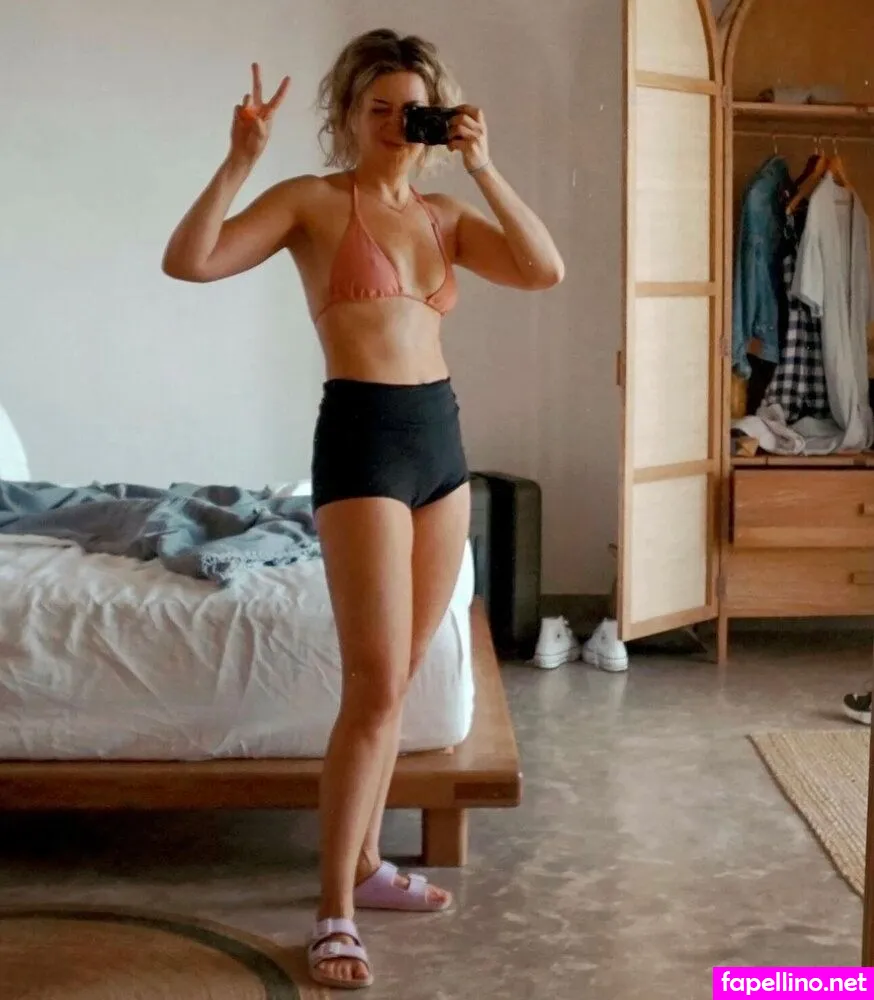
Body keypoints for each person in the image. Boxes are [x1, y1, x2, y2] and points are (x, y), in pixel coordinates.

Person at [162, 28, 564, 990]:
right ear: (346, 116)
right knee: (374, 685)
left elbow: (542, 268)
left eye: (410, 109)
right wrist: (240, 160)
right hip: (362, 440)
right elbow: (192, 261)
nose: (392, 124)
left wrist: (484, 164)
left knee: (403, 676)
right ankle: (334, 911)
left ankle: (374, 866)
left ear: (436, 117)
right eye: (375, 108)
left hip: (440, 445)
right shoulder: (312, 201)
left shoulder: (445, 215)